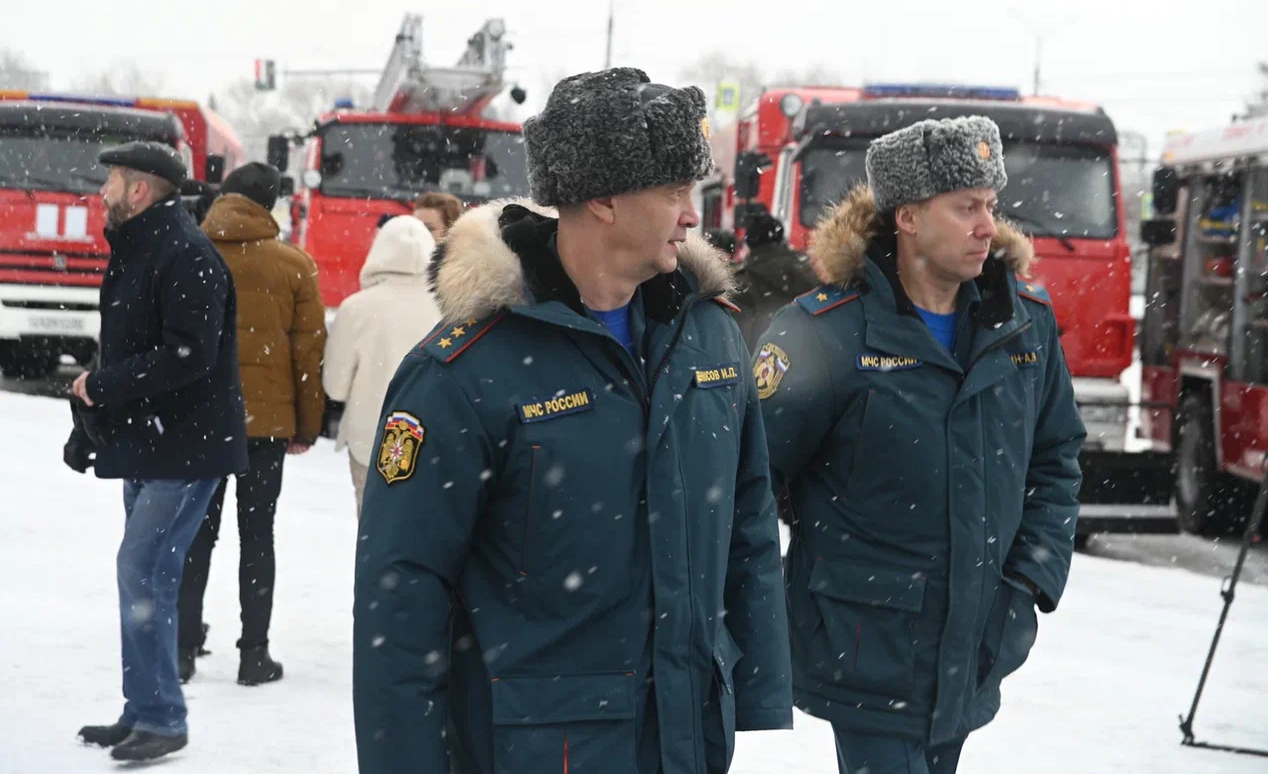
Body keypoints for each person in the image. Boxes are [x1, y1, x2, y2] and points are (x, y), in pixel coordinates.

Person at [353, 67, 793, 773]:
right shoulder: (465, 371)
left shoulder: (708, 337)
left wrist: (753, 685)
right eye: (676, 191)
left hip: (687, 735)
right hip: (540, 747)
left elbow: (746, 512)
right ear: (603, 199)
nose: (693, 215)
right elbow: (401, 596)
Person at [755, 116, 1085, 774]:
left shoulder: (1023, 324)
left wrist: (1026, 584)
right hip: (866, 644)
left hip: (978, 635)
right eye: (965, 208)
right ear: (907, 217)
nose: (987, 226)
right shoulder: (822, 333)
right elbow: (749, 481)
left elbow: (1057, 463)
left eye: (990, 206)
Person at [72, 141, 247, 762]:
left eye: (112, 182)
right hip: (151, 441)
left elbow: (189, 354)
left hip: (185, 447)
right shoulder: (141, 248)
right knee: (145, 575)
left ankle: (164, 717)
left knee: (141, 571)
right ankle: (143, 708)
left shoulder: (186, 253)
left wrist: (105, 386)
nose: (103, 193)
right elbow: (122, 350)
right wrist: (89, 415)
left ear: (140, 190)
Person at [175, 163, 326, 686]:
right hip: (265, 425)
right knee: (257, 536)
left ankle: (183, 646)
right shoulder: (293, 265)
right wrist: (307, 426)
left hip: (199, 418)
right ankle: (254, 654)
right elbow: (307, 353)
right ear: (270, 205)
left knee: (195, 534)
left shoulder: (190, 253)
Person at [322, 214, 441, 515]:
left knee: (373, 533)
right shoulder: (451, 307)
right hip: (437, 440)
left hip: (370, 440)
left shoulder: (356, 308)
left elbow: (335, 387)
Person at [730, 211, 818, 354]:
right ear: (781, 237)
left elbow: (740, 340)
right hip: (808, 359)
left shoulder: (744, 282)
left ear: (749, 243)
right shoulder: (810, 269)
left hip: (764, 364)